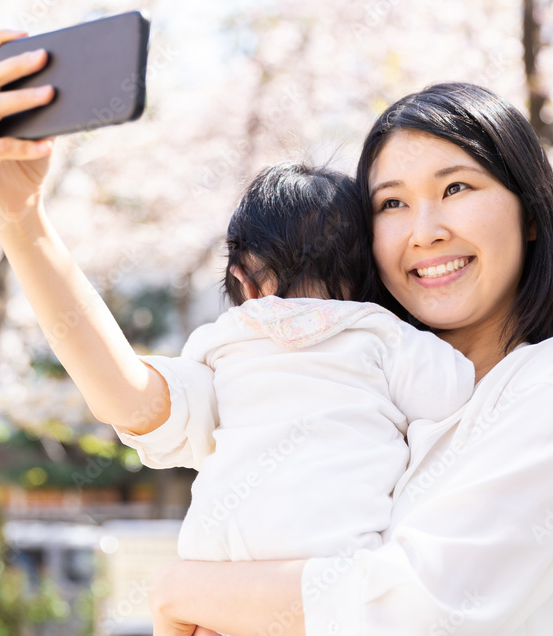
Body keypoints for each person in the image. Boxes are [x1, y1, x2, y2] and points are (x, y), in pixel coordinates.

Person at [0, 30, 553, 634]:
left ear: (531, 213)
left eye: (457, 188)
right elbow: (131, 397)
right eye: (392, 202)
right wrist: (18, 216)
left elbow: (417, 609)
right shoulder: (315, 363)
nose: (425, 229)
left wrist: (181, 588)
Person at [110, 160, 475, 569]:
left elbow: (188, 390)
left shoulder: (222, 337)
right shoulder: (380, 332)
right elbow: (452, 390)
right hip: (335, 552)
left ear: (243, 280)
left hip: (217, 552)